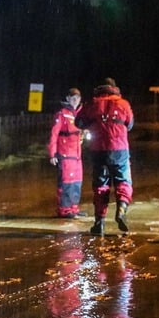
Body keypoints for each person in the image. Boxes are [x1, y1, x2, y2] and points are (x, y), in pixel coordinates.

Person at [75, 77, 134, 236]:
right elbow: (130, 124)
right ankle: (121, 210)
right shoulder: (124, 104)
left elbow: (78, 121)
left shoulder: (92, 104)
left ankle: (99, 223)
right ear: (114, 88)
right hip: (120, 149)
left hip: (99, 150)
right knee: (123, 181)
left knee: (101, 186)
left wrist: (92, 124)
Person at [48, 88, 84, 218]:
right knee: (66, 182)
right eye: (73, 98)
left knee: (77, 181)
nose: (75, 100)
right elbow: (54, 134)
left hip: (76, 155)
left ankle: (73, 208)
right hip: (65, 154)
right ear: (68, 98)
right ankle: (64, 209)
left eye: (78, 98)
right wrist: (52, 154)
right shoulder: (62, 114)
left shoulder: (80, 114)